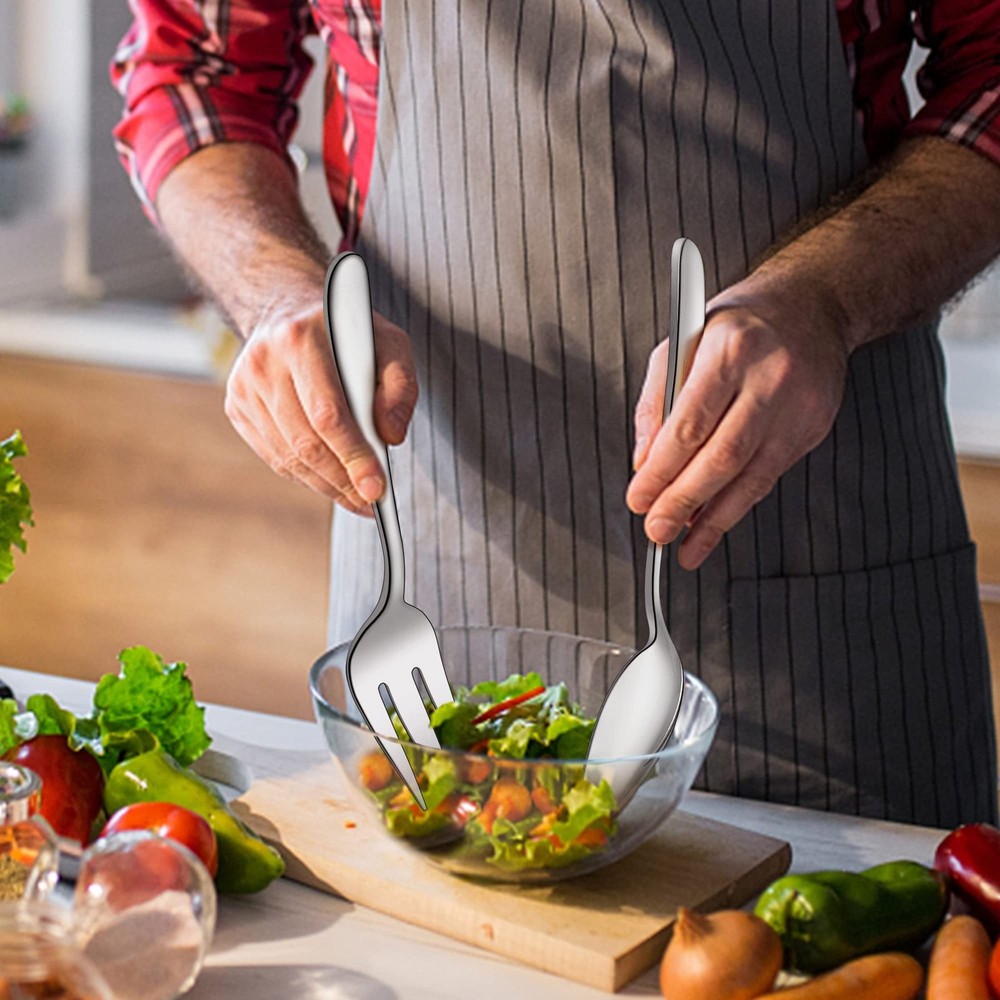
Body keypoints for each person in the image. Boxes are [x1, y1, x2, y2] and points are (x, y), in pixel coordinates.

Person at [112, 0, 1000, 828]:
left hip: (832, 569)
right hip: (435, 570)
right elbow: (194, 73)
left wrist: (826, 299)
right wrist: (272, 294)